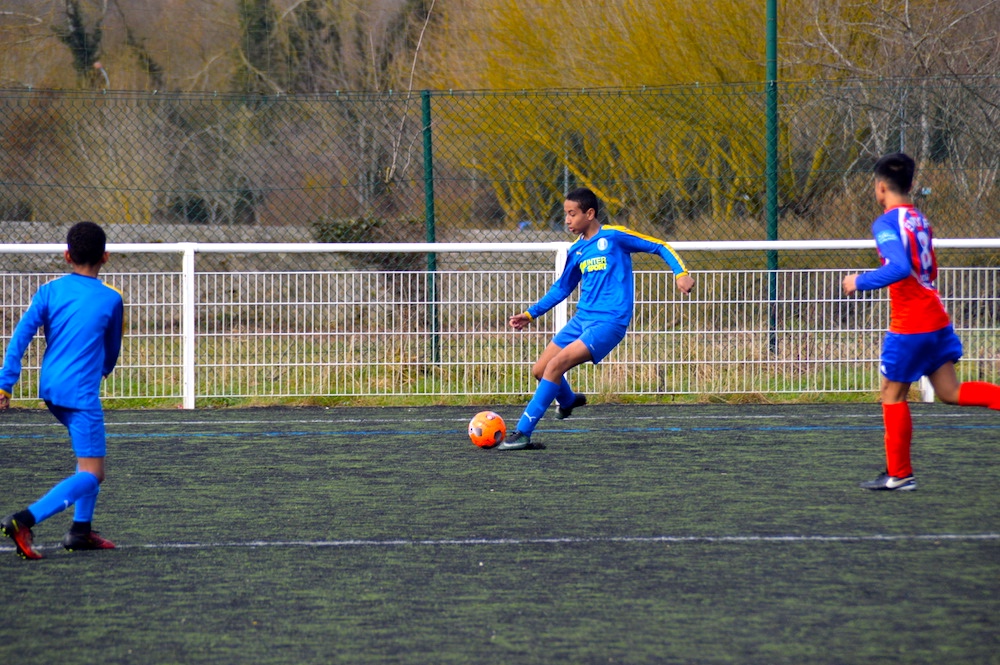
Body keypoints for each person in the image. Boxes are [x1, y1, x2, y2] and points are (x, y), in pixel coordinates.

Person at [843, 153, 1000, 490]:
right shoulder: (919, 219)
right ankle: (899, 473)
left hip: (911, 324)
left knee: (891, 394)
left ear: (880, 187)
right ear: (911, 184)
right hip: (935, 317)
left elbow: (899, 268)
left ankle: (900, 475)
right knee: (950, 391)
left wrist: (859, 281)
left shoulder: (886, 223)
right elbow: (928, 267)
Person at [498, 187, 695, 450]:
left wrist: (681, 273)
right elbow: (561, 288)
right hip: (582, 319)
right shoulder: (577, 250)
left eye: (572, 214)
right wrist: (530, 314)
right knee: (540, 370)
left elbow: (660, 246)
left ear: (589, 214)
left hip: (609, 323)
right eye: (565, 214)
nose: (567, 220)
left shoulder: (614, 237)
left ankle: (522, 433)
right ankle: (568, 401)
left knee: (555, 366)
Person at [1, 221, 124, 558]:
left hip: (51, 389)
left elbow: (21, 335)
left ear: (67, 255)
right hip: (81, 394)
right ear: (106, 256)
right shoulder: (112, 298)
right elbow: (112, 349)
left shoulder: (49, 291)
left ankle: (80, 531)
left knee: (87, 459)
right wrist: (103, 369)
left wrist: (5, 383)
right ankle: (24, 520)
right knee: (94, 473)